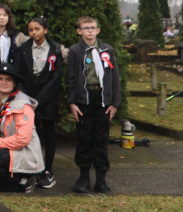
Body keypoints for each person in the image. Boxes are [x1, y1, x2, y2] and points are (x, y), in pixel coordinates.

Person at [66, 16, 120, 194]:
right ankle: (83, 178)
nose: (89, 31)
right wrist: (72, 102)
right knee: (84, 139)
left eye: (93, 28)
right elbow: (71, 79)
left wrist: (115, 103)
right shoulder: (75, 51)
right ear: (79, 31)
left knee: (101, 140)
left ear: (98, 30)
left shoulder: (107, 50)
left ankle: (101, 180)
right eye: (85, 28)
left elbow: (115, 79)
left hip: (103, 100)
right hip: (84, 100)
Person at [0, 63, 45, 193]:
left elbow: (23, 139)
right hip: (2, 143)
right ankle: (0, 179)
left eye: (8, 79)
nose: (3, 82)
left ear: (14, 83)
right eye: (0, 79)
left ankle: (21, 179)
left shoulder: (23, 104)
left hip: (23, 150)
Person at [15, 17, 63, 189]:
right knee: (28, 134)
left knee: (48, 133)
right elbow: (19, 73)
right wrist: (26, 98)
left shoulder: (55, 49)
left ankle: (47, 169)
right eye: (31, 30)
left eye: (37, 29)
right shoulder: (23, 49)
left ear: (45, 30)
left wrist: (40, 99)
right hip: (27, 97)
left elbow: (56, 78)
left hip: (47, 98)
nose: (34, 33)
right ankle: (29, 168)